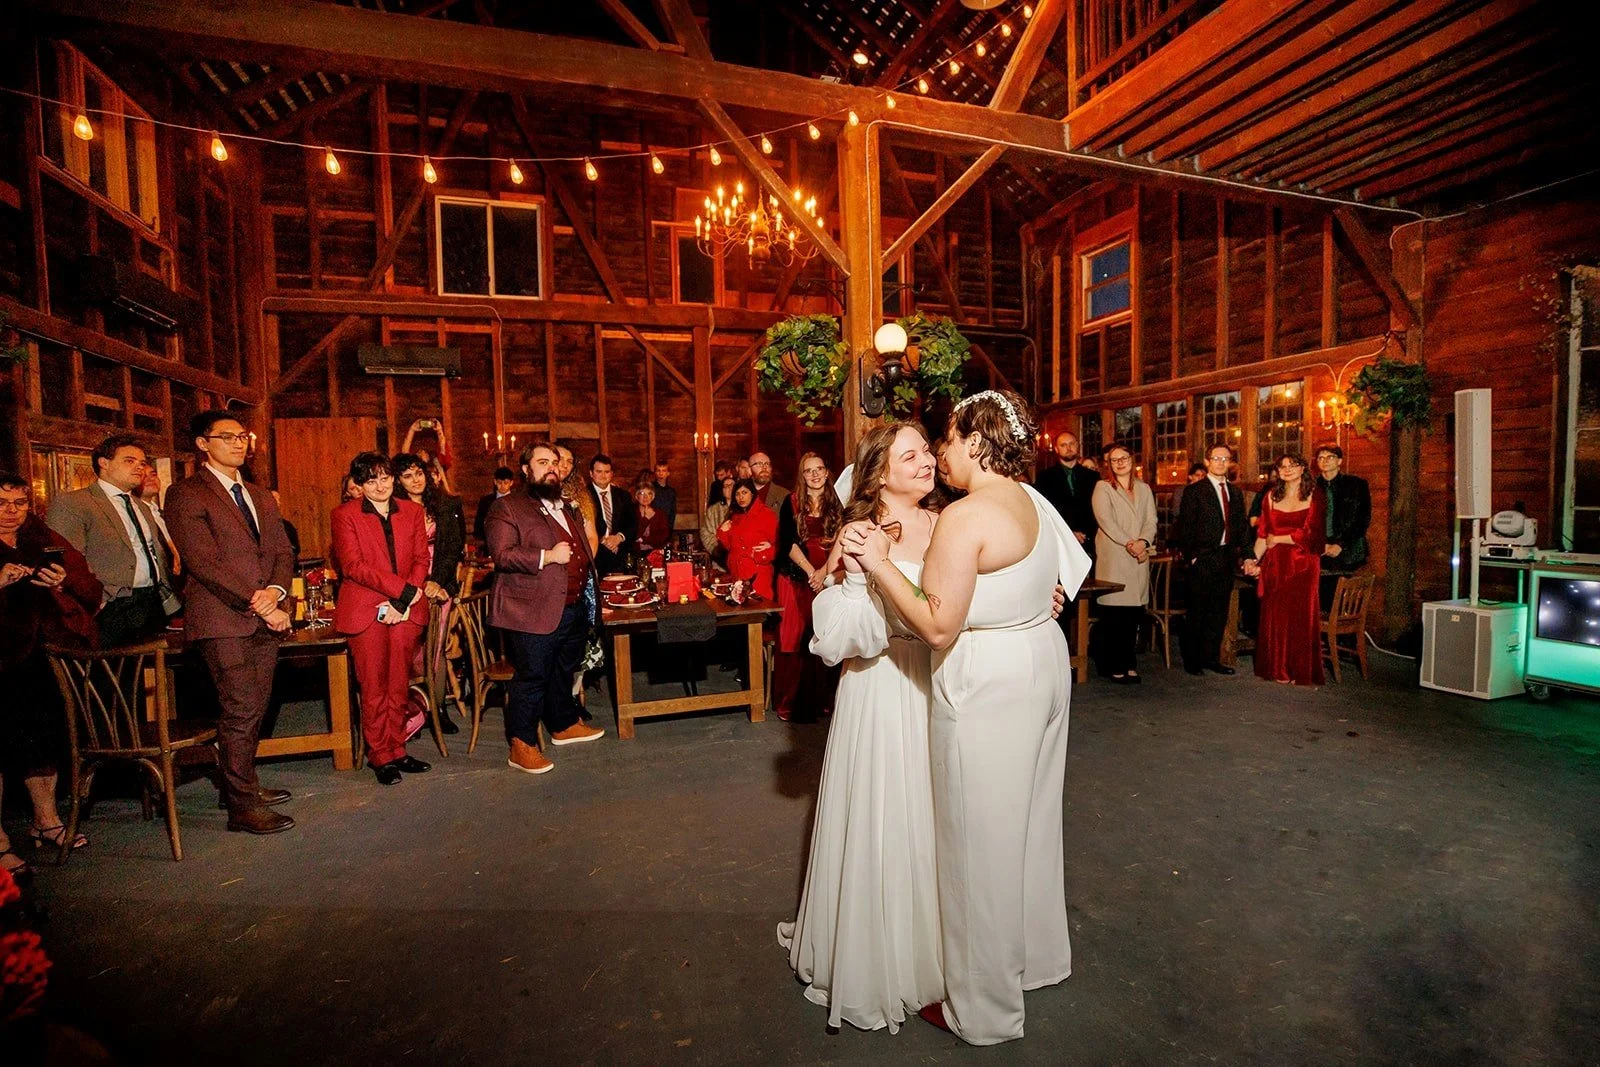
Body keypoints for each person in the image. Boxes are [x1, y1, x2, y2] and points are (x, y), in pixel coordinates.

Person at [844, 389, 1090, 1046]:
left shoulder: (964, 515)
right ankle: (1036, 961)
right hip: (1042, 659)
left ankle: (982, 1009)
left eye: (946, 440)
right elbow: (1064, 575)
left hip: (990, 680)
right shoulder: (1033, 499)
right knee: (1032, 827)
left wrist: (876, 565)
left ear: (977, 442)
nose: (940, 453)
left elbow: (937, 623)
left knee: (979, 845)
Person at [778, 423, 945, 1032]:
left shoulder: (947, 520)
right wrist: (893, 608)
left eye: (928, 451)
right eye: (912, 455)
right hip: (880, 686)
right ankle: (881, 958)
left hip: (938, 680)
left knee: (934, 812)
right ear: (878, 474)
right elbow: (841, 628)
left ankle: (935, 946)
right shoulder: (859, 533)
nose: (927, 461)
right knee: (884, 810)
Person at [164, 412, 297, 834]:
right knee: (239, 709)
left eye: (242, 436)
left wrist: (276, 592)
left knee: (255, 708)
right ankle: (242, 807)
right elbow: (204, 562)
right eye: (227, 437)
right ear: (203, 444)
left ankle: (240, 785)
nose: (239, 443)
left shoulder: (259, 494)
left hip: (265, 614)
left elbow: (282, 551)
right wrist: (257, 602)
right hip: (223, 618)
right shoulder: (185, 494)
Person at [0, 471, 101, 875]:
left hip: (41, 654)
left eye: (19, 504)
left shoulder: (39, 538)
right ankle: (0, 843)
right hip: (1, 659)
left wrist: (61, 582)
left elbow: (88, 584)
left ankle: (47, 821)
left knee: (44, 738)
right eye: (2, 504)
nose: (11, 512)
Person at [487, 442, 604, 775]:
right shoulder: (507, 507)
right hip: (530, 610)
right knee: (532, 676)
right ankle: (521, 745)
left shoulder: (565, 507)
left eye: (554, 462)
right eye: (542, 462)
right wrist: (547, 557)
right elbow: (502, 554)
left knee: (561, 671)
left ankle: (563, 724)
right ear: (526, 470)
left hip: (572, 606)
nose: (551, 467)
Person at [331, 453, 433, 783]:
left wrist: (406, 599)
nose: (380, 485)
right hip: (366, 609)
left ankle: (398, 749)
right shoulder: (344, 515)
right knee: (373, 684)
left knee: (398, 683)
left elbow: (420, 559)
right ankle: (380, 755)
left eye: (385, 477)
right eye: (371, 480)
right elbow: (353, 566)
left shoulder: (413, 511)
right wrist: (402, 591)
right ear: (359, 485)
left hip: (406, 608)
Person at [47, 433, 179, 646]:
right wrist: (97, 601)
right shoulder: (75, 503)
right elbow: (65, 560)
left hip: (151, 603)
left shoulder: (142, 507)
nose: (139, 468)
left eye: (142, 463)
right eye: (129, 461)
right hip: (109, 605)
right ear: (104, 463)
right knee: (112, 675)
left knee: (148, 673)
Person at [393, 451, 468, 735]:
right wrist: (417, 584)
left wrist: (436, 582)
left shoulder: (444, 505)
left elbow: (452, 550)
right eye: (408, 476)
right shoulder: (394, 509)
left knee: (435, 651)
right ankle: (412, 710)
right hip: (408, 587)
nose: (416, 480)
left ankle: (439, 710)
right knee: (409, 652)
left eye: (419, 473)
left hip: (440, 586)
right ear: (399, 481)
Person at [771, 453, 842, 723]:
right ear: (802, 476)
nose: (814, 474)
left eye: (819, 469)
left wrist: (825, 573)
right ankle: (791, 703)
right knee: (795, 637)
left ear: (826, 472)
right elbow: (788, 542)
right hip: (796, 576)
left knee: (826, 635)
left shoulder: (838, 503)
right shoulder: (791, 502)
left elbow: (842, 541)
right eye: (808, 470)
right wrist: (812, 572)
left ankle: (824, 701)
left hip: (831, 574)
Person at [1245, 453, 1326, 686]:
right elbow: (1263, 535)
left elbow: (1313, 536)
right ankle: (1278, 668)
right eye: (1282, 466)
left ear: (1303, 469)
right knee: (1275, 615)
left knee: (1300, 616)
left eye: (1293, 465)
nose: (1287, 469)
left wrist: (1279, 538)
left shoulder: (1315, 495)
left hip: (1304, 564)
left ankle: (1299, 670)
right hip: (1276, 564)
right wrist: (1252, 559)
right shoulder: (1270, 496)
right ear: (1277, 472)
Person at [1173, 443, 1250, 676]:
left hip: (1226, 557)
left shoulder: (1235, 493)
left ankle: (1211, 658)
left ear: (1231, 463)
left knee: (1218, 611)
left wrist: (1247, 555)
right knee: (1198, 611)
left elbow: (1242, 527)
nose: (1221, 463)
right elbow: (1184, 528)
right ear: (1207, 462)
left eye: (1225, 459)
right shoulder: (1195, 491)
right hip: (1203, 558)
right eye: (1216, 458)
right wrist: (1193, 557)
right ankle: (1192, 660)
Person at [1091, 444, 1157, 684]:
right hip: (1116, 557)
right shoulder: (1103, 488)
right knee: (1114, 616)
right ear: (1108, 465)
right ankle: (1112, 665)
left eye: (1124, 458)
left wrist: (1144, 541)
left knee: (1133, 615)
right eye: (1114, 459)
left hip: (1139, 558)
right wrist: (1130, 543)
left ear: (1132, 460)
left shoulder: (1144, 488)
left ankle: (1129, 663)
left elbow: (1151, 519)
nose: (1120, 463)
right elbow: (1106, 521)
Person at [1314, 444, 1371, 608]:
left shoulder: (1356, 485)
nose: (1325, 461)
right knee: (1322, 598)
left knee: (1344, 601)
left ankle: (1344, 633)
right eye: (1321, 458)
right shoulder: (1311, 486)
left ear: (1339, 461)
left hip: (1348, 549)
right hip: (1320, 548)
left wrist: (1341, 544)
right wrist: (1320, 543)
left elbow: (1362, 519)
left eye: (1330, 457)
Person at [1034, 431, 1099, 559]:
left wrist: (1087, 533)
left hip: (1091, 541)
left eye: (1071, 444)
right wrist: (1069, 532)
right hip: (1060, 540)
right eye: (1063, 445)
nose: (1068, 448)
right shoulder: (1045, 477)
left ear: (1078, 446)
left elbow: (1098, 509)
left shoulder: (1093, 477)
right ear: (1057, 449)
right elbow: (1045, 510)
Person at [716, 478, 777, 600]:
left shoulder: (766, 514)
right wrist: (722, 532)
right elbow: (731, 547)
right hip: (738, 575)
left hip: (757, 573)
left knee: (759, 609)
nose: (740, 497)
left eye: (744, 493)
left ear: (752, 493)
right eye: (737, 494)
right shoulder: (736, 516)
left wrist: (770, 548)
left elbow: (780, 542)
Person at [587, 454, 636, 576]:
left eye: (607, 472)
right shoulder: (583, 495)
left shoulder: (623, 495)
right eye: (599, 471)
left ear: (611, 474)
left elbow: (633, 523)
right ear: (591, 473)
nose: (603, 475)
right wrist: (605, 540)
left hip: (620, 556)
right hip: (595, 557)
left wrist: (619, 537)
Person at [555, 444, 600, 557]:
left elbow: (591, 536)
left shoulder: (580, 495)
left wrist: (586, 562)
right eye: (561, 459)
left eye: (570, 461)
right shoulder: (536, 495)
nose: (565, 465)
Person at [474, 466, 516, 543]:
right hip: (490, 541)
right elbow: (479, 524)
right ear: (495, 482)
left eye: (506, 483)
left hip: (512, 541)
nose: (502, 486)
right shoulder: (485, 501)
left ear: (511, 483)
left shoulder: (517, 501)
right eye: (500, 482)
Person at [700, 474, 736, 557]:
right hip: (718, 555)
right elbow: (705, 532)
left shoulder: (742, 509)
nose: (729, 488)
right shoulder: (713, 510)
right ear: (722, 491)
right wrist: (716, 549)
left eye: (732, 485)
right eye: (726, 486)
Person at [632, 481, 670, 554]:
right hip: (635, 553)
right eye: (642, 493)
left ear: (653, 497)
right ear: (637, 496)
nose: (645, 497)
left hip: (655, 553)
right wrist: (646, 519)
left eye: (649, 493)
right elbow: (634, 535)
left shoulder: (660, 514)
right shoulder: (631, 513)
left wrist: (643, 539)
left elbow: (663, 537)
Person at [270, 490, 300, 560]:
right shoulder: (260, 526)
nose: (278, 503)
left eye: (279, 500)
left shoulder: (288, 526)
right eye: (274, 499)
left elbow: (296, 549)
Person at [650, 460, 677, 532]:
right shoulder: (650, 488)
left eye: (664, 471)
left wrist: (670, 528)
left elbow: (672, 512)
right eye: (658, 471)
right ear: (655, 473)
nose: (661, 473)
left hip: (666, 526)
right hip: (652, 526)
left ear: (668, 473)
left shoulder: (671, 492)